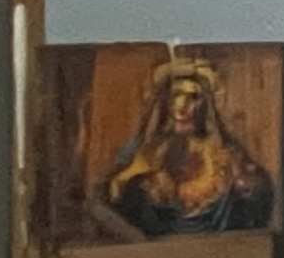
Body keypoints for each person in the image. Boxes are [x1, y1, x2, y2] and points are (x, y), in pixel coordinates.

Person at [99, 56, 275, 236]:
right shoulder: (146, 151)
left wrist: (246, 185)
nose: (181, 107)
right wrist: (128, 178)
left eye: (193, 97)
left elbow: (255, 205)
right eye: (176, 96)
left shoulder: (227, 155)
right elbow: (108, 199)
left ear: (206, 105)